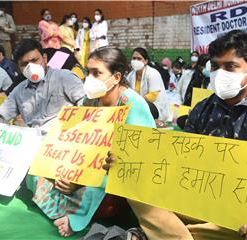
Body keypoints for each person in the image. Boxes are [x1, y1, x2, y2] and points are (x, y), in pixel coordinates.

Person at [106, 30, 247, 240]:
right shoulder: (202, 108)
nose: (220, 74)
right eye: (216, 66)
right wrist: (126, 162)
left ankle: (167, 234)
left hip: (241, 213)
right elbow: (179, 161)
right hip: (196, 202)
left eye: (230, 67)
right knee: (134, 188)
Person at [26, 46, 156, 237]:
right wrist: (66, 171)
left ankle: (76, 216)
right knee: (36, 170)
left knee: (101, 188)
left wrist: (79, 182)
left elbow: (135, 162)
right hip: (83, 171)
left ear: (117, 77)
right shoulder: (91, 101)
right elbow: (75, 143)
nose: (90, 78)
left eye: (97, 73)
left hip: (111, 179)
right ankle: (72, 205)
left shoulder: (133, 105)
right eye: (88, 72)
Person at [127, 47, 172, 123]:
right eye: (134, 58)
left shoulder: (153, 73)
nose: (135, 61)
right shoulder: (131, 75)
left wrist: (136, 102)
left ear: (145, 61)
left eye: (139, 59)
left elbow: (153, 96)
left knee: (140, 107)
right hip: (137, 105)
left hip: (155, 107)